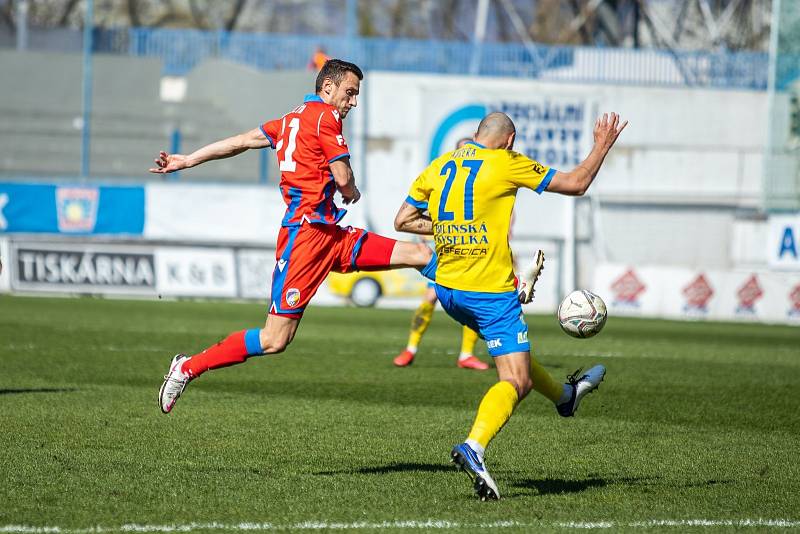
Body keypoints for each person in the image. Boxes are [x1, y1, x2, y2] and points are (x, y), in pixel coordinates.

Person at [151, 59, 439, 414]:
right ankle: (187, 367)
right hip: (304, 239)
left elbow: (242, 141)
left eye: (356, 95)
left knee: (421, 255)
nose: (352, 102)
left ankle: (496, 292)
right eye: (349, 93)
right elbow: (343, 176)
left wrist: (188, 160)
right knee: (275, 339)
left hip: (331, 235)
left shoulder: (289, 120)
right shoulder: (324, 116)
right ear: (328, 87)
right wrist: (350, 188)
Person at [393, 110, 627, 500]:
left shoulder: (440, 164)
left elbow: (403, 220)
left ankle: (566, 399)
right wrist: (602, 144)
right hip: (488, 293)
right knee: (515, 381)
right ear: (509, 140)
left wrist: (454, 226)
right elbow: (577, 183)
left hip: (450, 288)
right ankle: (475, 446)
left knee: (515, 355)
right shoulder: (506, 162)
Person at [393, 137, 543, 371]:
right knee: (432, 299)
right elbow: (414, 220)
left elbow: (506, 216)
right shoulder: (444, 179)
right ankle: (411, 348)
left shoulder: (483, 184)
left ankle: (466, 354)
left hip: (469, 257)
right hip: (445, 255)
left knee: (474, 295)